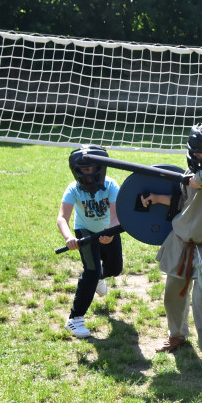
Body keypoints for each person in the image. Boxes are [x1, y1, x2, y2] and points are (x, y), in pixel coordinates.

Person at [142, 121, 202, 370]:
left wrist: (201, 179)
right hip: (180, 242)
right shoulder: (188, 174)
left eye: (200, 154)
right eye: (193, 152)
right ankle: (177, 335)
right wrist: (157, 199)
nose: (195, 157)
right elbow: (182, 203)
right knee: (172, 294)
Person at [57, 145, 122, 339]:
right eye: (84, 169)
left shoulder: (111, 186)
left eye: (92, 168)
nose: (88, 174)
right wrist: (69, 238)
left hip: (108, 229)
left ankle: (101, 278)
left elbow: (116, 216)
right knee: (91, 271)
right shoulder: (73, 189)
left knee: (116, 268)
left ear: (101, 167)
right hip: (84, 231)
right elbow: (62, 218)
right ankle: (74, 319)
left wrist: (110, 232)